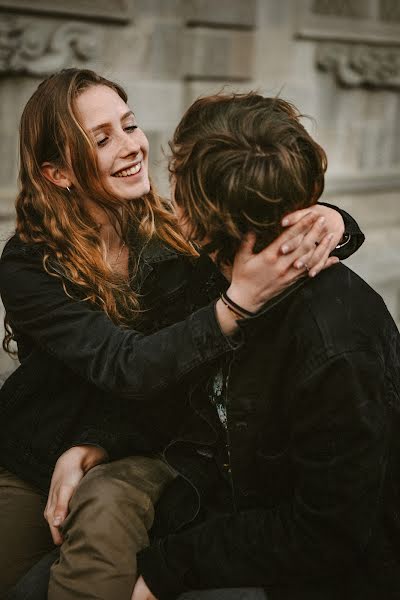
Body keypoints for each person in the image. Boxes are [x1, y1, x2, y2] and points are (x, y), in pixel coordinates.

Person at [0, 69, 363, 599]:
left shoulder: (169, 230)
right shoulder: (27, 262)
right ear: (57, 173)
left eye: (129, 125)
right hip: (34, 457)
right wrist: (232, 307)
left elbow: (259, 229)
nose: (130, 147)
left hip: (140, 440)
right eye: (101, 140)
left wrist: (332, 217)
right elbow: (125, 363)